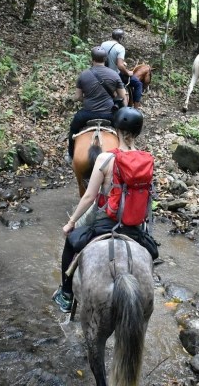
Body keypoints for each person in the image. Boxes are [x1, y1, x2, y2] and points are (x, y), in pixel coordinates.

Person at [53, 107, 153, 313]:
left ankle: (66, 294)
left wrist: (71, 223)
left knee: (71, 242)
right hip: (134, 223)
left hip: (108, 219)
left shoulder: (106, 158)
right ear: (138, 131)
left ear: (116, 130)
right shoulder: (146, 159)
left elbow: (89, 196)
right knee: (151, 252)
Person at [65, 46, 126, 164]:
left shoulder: (83, 75)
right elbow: (122, 97)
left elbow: (77, 97)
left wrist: (85, 98)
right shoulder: (114, 75)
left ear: (92, 59)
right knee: (123, 131)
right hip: (110, 114)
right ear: (105, 59)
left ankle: (71, 155)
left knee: (73, 129)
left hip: (87, 114)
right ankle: (125, 154)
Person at [101, 29, 143, 109]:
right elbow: (120, 66)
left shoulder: (103, 44)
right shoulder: (120, 48)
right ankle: (136, 109)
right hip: (114, 74)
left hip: (103, 72)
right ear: (120, 38)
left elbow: (106, 58)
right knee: (138, 84)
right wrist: (127, 72)